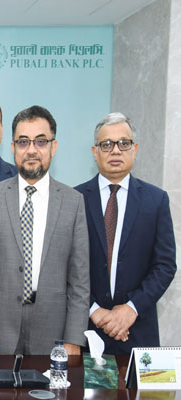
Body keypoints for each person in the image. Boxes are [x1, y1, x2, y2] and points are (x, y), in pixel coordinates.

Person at [0, 105, 90, 355]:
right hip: (0, 327)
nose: (31, 150)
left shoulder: (73, 201)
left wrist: (74, 338)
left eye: (40, 141)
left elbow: (79, 278)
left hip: (54, 329)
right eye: (23, 142)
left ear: (53, 147)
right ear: (13, 147)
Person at [74, 112, 176, 354]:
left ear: (135, 149)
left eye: (123, 143)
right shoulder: (75, 199)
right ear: (95, 151)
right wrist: (94, 310)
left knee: (141, 383)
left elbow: (165, 265)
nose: (115, 151)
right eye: (106, 144)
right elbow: (64, 264)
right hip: (86, 331)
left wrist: (131, 308)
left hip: (138, 331)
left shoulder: (156, 200)